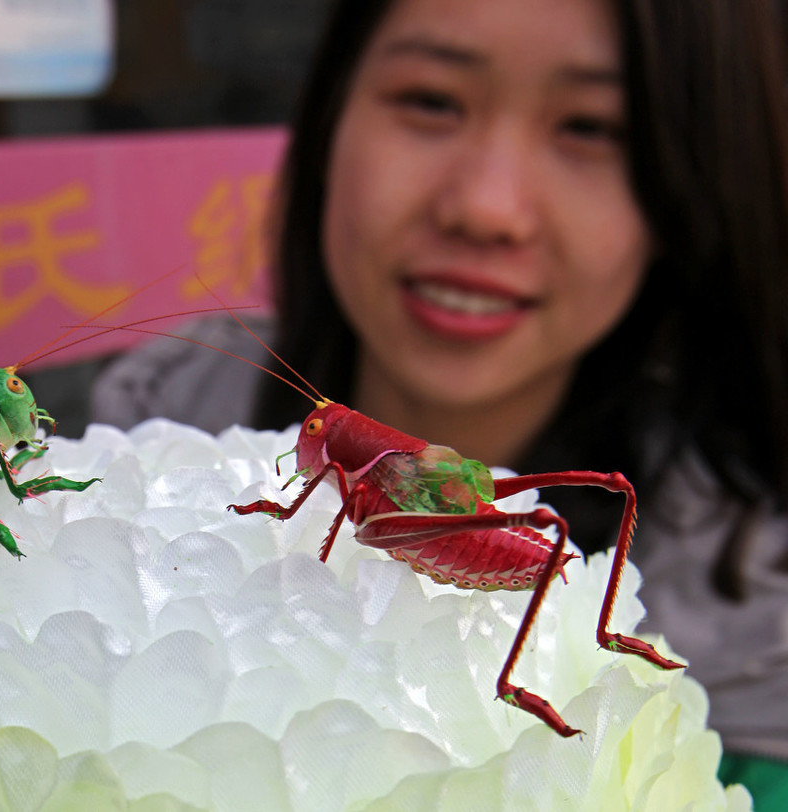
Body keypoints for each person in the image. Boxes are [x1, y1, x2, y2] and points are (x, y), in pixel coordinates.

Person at [91, 0, 788, 803]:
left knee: (571, 509)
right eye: (431, 99)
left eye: (594, 127)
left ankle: (577, 644)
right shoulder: (150, 418)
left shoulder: (761, 649)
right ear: (326, 122)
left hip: (490, 542)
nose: (485, 208)